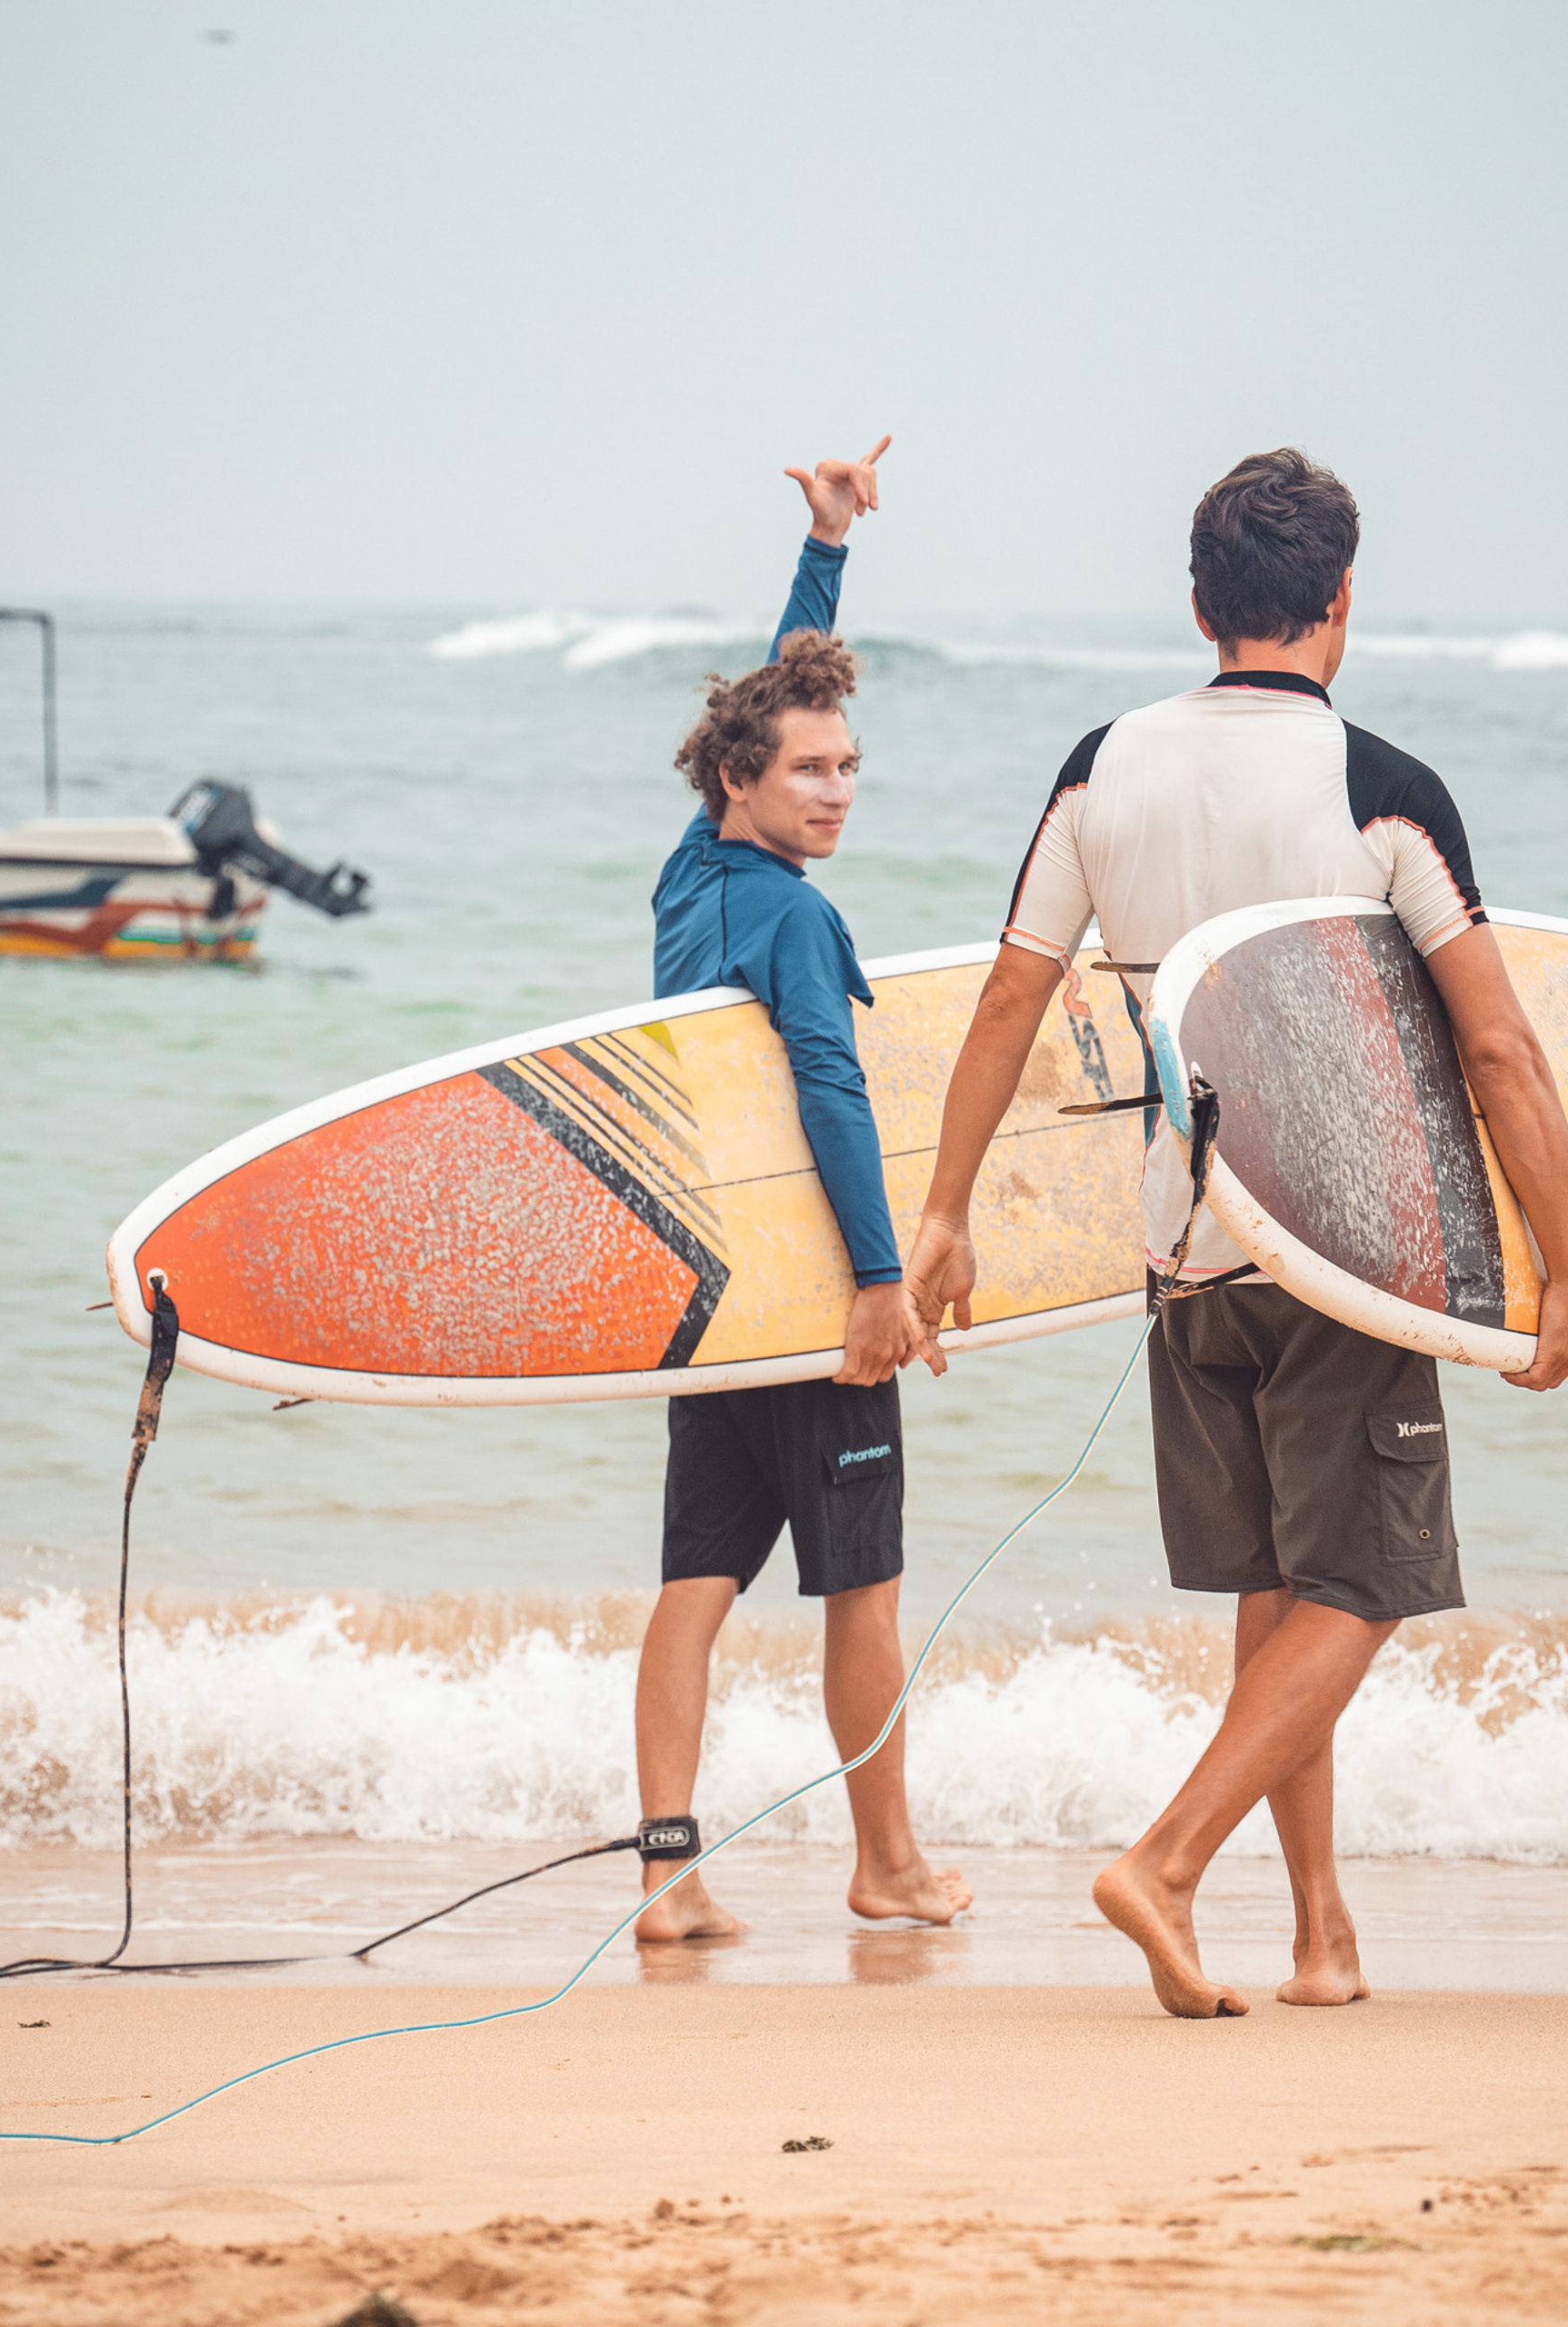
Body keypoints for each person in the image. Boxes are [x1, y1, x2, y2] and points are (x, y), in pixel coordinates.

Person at [904, 447, 1568, 2017]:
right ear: (1342, 600)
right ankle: (1167, 1861)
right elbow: (1497, 1051)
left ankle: (1321, 1939)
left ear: (1202, 604)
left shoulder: (1100, 766)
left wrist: (943, 1213)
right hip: (1348, 1245)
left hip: (1185, 1245)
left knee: (1282, 1589)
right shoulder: (1383, 790)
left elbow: (1014, 992)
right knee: (1362, 1586)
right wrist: (1566, 1260)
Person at [634, 435, 973, 1945]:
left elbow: (766, 707)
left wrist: (828, 550)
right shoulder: (797, 923)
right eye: (814, 773)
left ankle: (667, 1876)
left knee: (696, 1585)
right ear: (744, 781)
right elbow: (832, 1093)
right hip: (815, 1304)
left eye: (851, 770)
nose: (838, 793)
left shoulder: (689, 881)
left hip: (714, 1308)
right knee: (866, 1594)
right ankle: (885, 1864)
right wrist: (886, 1281)